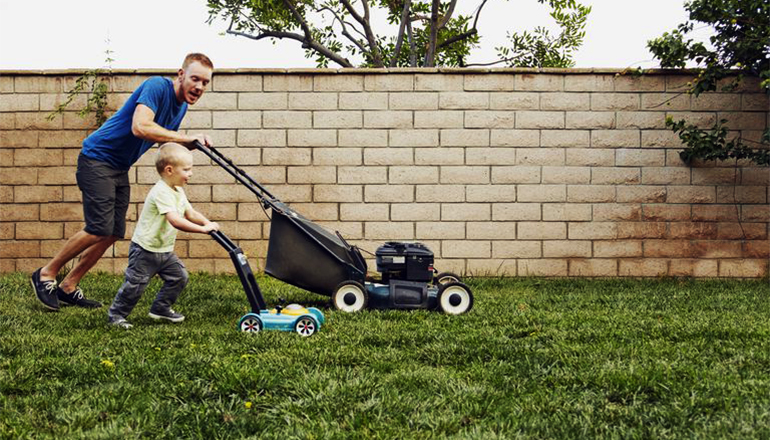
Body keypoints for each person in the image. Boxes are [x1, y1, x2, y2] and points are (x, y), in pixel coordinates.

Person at [31, 53, 214, 311]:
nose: (199, 87)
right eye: (195, 78)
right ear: (181, 75)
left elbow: (163, 140)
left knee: (114, 232)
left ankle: (68, 286)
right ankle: (45, 274)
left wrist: (189, 145)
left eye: (205, 82)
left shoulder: (180, 106)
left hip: (118, 167)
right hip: (97, 158)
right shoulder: (156, 87)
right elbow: (140, 127)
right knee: (98, 227)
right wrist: (184, 137)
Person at [108, 143, 219, 329]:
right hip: (145, 249)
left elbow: (190, 213)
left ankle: (160, 308)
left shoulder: (178, 191)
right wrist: (202, 230)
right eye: (187, 169)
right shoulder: (161, 192)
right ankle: (116, 316)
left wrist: (208, 223)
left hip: (164, 250)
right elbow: (175, 220)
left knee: (179, 277)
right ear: (169, 170)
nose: (190, 174)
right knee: (135, 285)